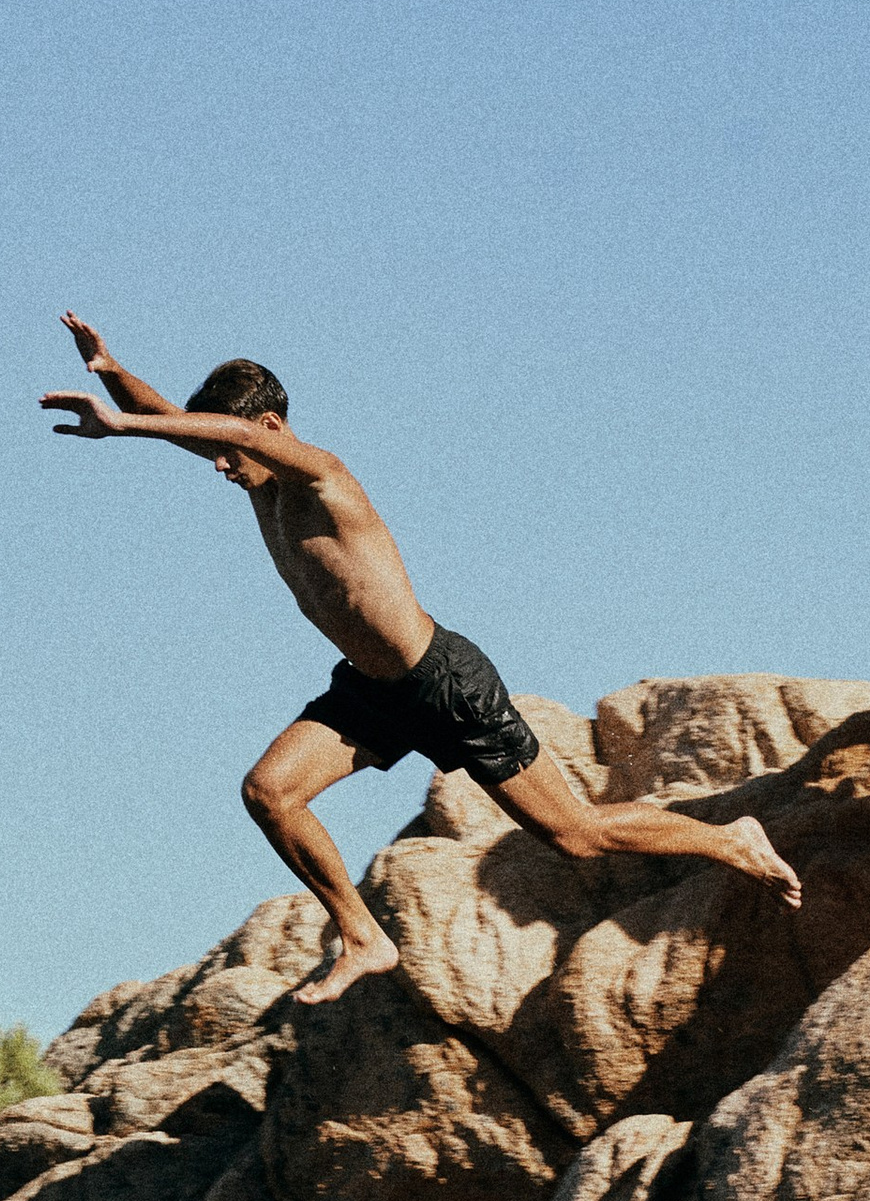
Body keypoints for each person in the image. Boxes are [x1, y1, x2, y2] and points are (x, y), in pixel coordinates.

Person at [42, 316, 802, 1005]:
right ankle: (363, 936)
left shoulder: (323, 475)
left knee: (576, 835)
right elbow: (185, 428)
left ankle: (729, 839)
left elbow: (207, 433)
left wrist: (122, 424)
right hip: (371, 692)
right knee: (270, 792)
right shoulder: (255, 488)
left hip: (444, 684)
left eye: (235, 447)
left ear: (271, 427)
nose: (218, 464)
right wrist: (114, 373)